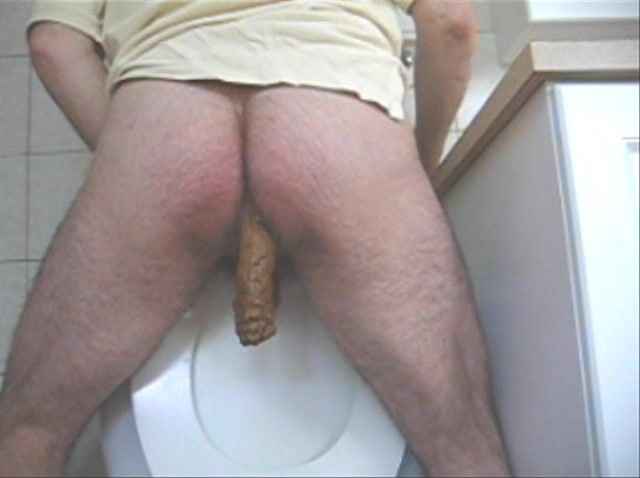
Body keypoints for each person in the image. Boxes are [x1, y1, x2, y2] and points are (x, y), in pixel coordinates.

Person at [0, 1, 511, 476]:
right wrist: (419, 168)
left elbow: (53, 43)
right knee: (460, 443)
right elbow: (451, 22)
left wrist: (134, 153)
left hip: (169, 112)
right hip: (335, 115)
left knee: (31, 429)